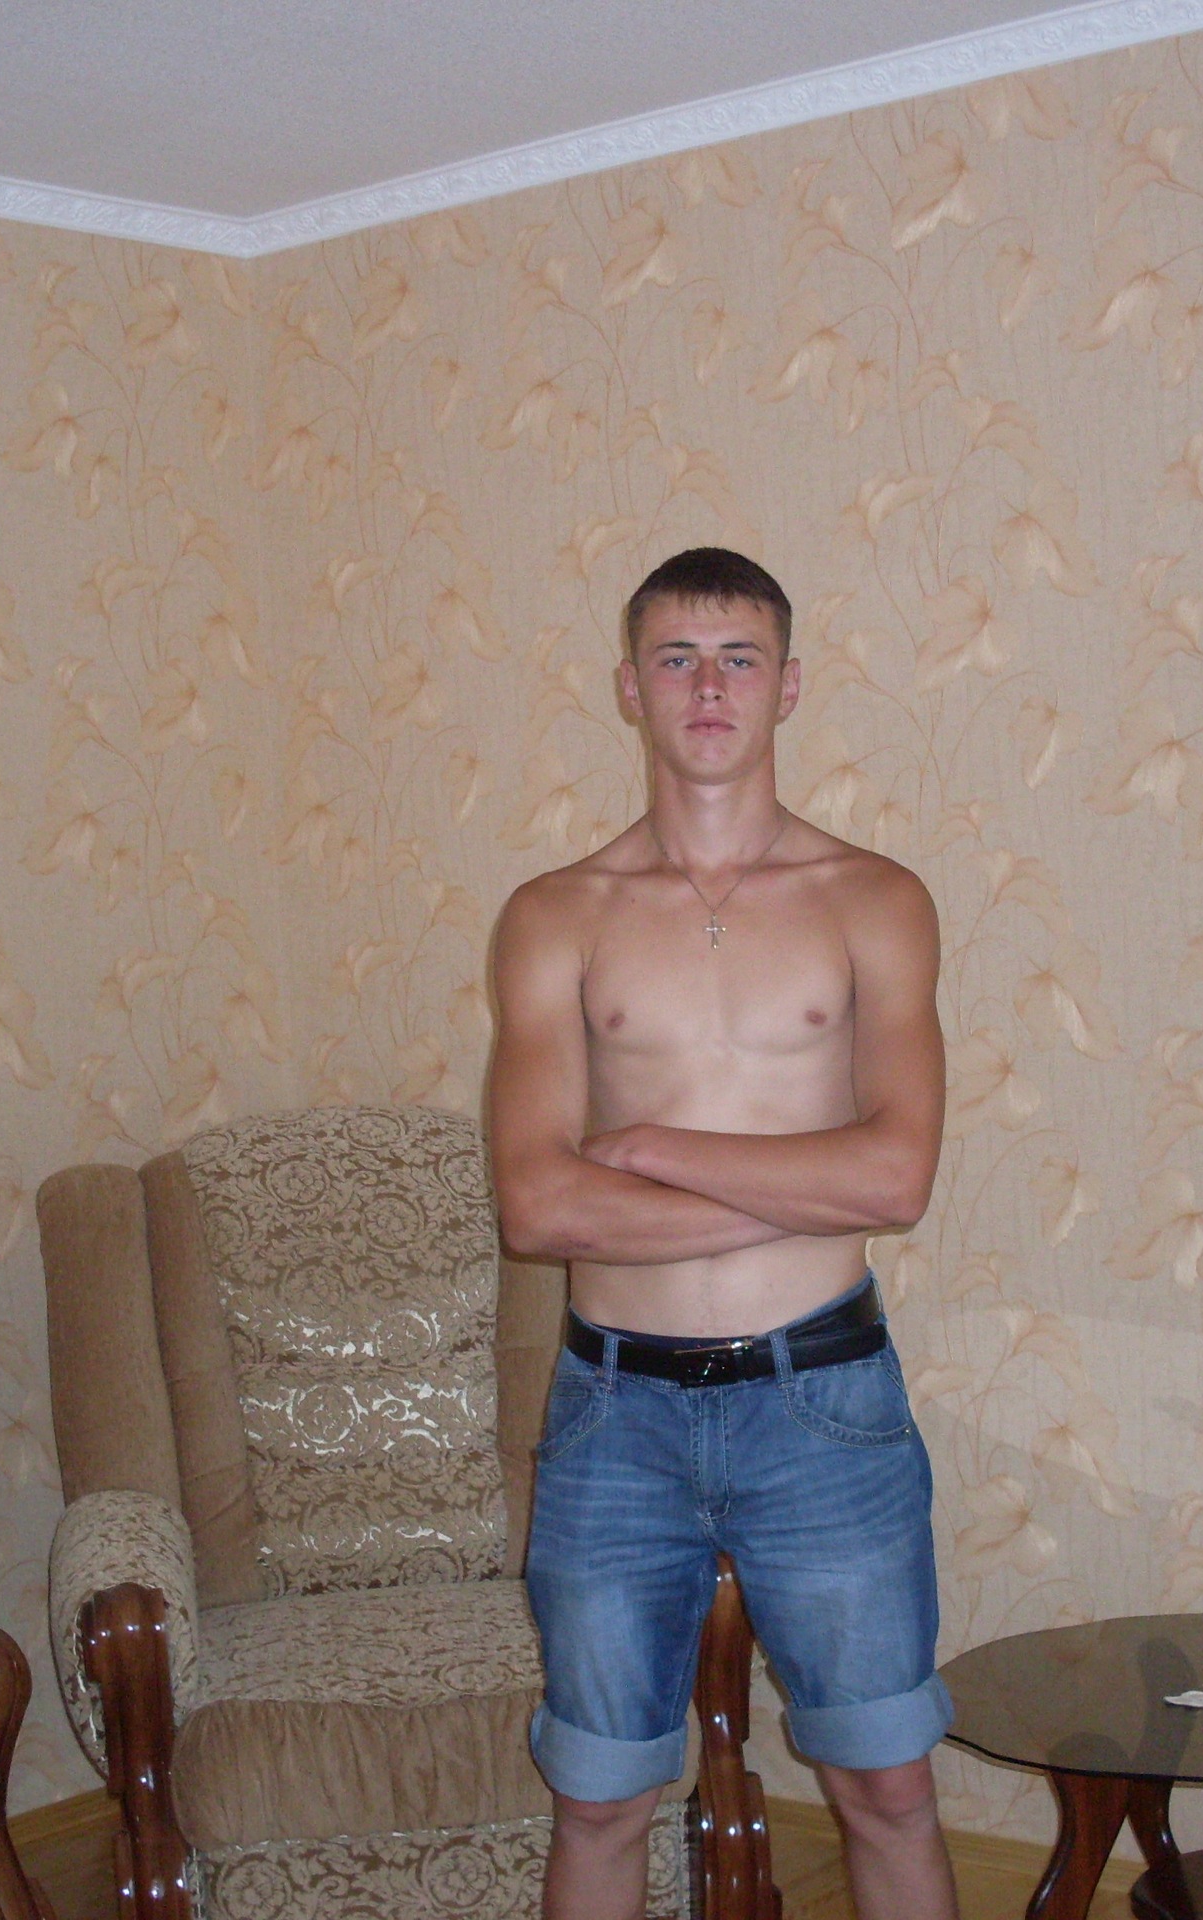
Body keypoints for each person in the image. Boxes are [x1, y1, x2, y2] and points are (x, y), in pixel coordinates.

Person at [488, 549, 956, 1920]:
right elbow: (538, 1205)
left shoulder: (872, 899)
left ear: (788, 687)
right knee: (597, 1798)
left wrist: (655, 1149)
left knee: (885, 1785)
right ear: (629, 687)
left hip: (824, 1402)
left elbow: (897, 1176)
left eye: (739, 659)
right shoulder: (554, 916)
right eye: (678, 659)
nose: (708, 687)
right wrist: (807, 1181)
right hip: (613, 1415)